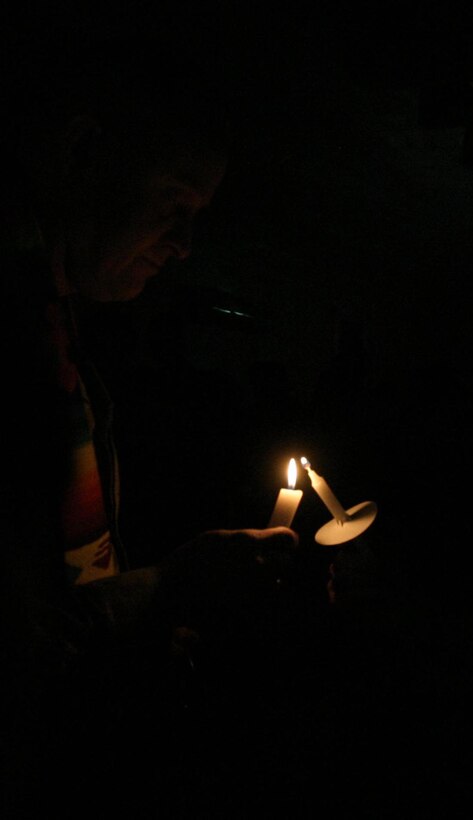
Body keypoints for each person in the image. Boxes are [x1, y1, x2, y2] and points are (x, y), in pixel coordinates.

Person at [0, 34, 304, 813]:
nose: (184, 248)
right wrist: (170, 589)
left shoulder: (54, 328)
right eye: (174, 205)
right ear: (83, 150)